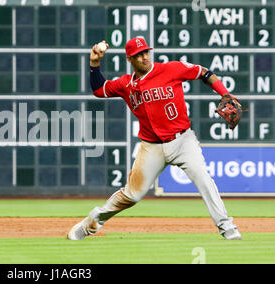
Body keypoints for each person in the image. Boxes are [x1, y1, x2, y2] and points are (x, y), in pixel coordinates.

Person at [67, 37, 242, 240]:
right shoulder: (126, 84)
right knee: (132, 195)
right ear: (130, 59)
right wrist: (95, 62)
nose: (144, 57)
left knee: (204, 179)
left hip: (183, 141)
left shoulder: (171, 69)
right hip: (151, 147)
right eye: (139, 54)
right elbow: (99, 90)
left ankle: (228, 229)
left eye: (146, 52)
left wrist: (225, 93)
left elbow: (204, 72)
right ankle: (90, 223)